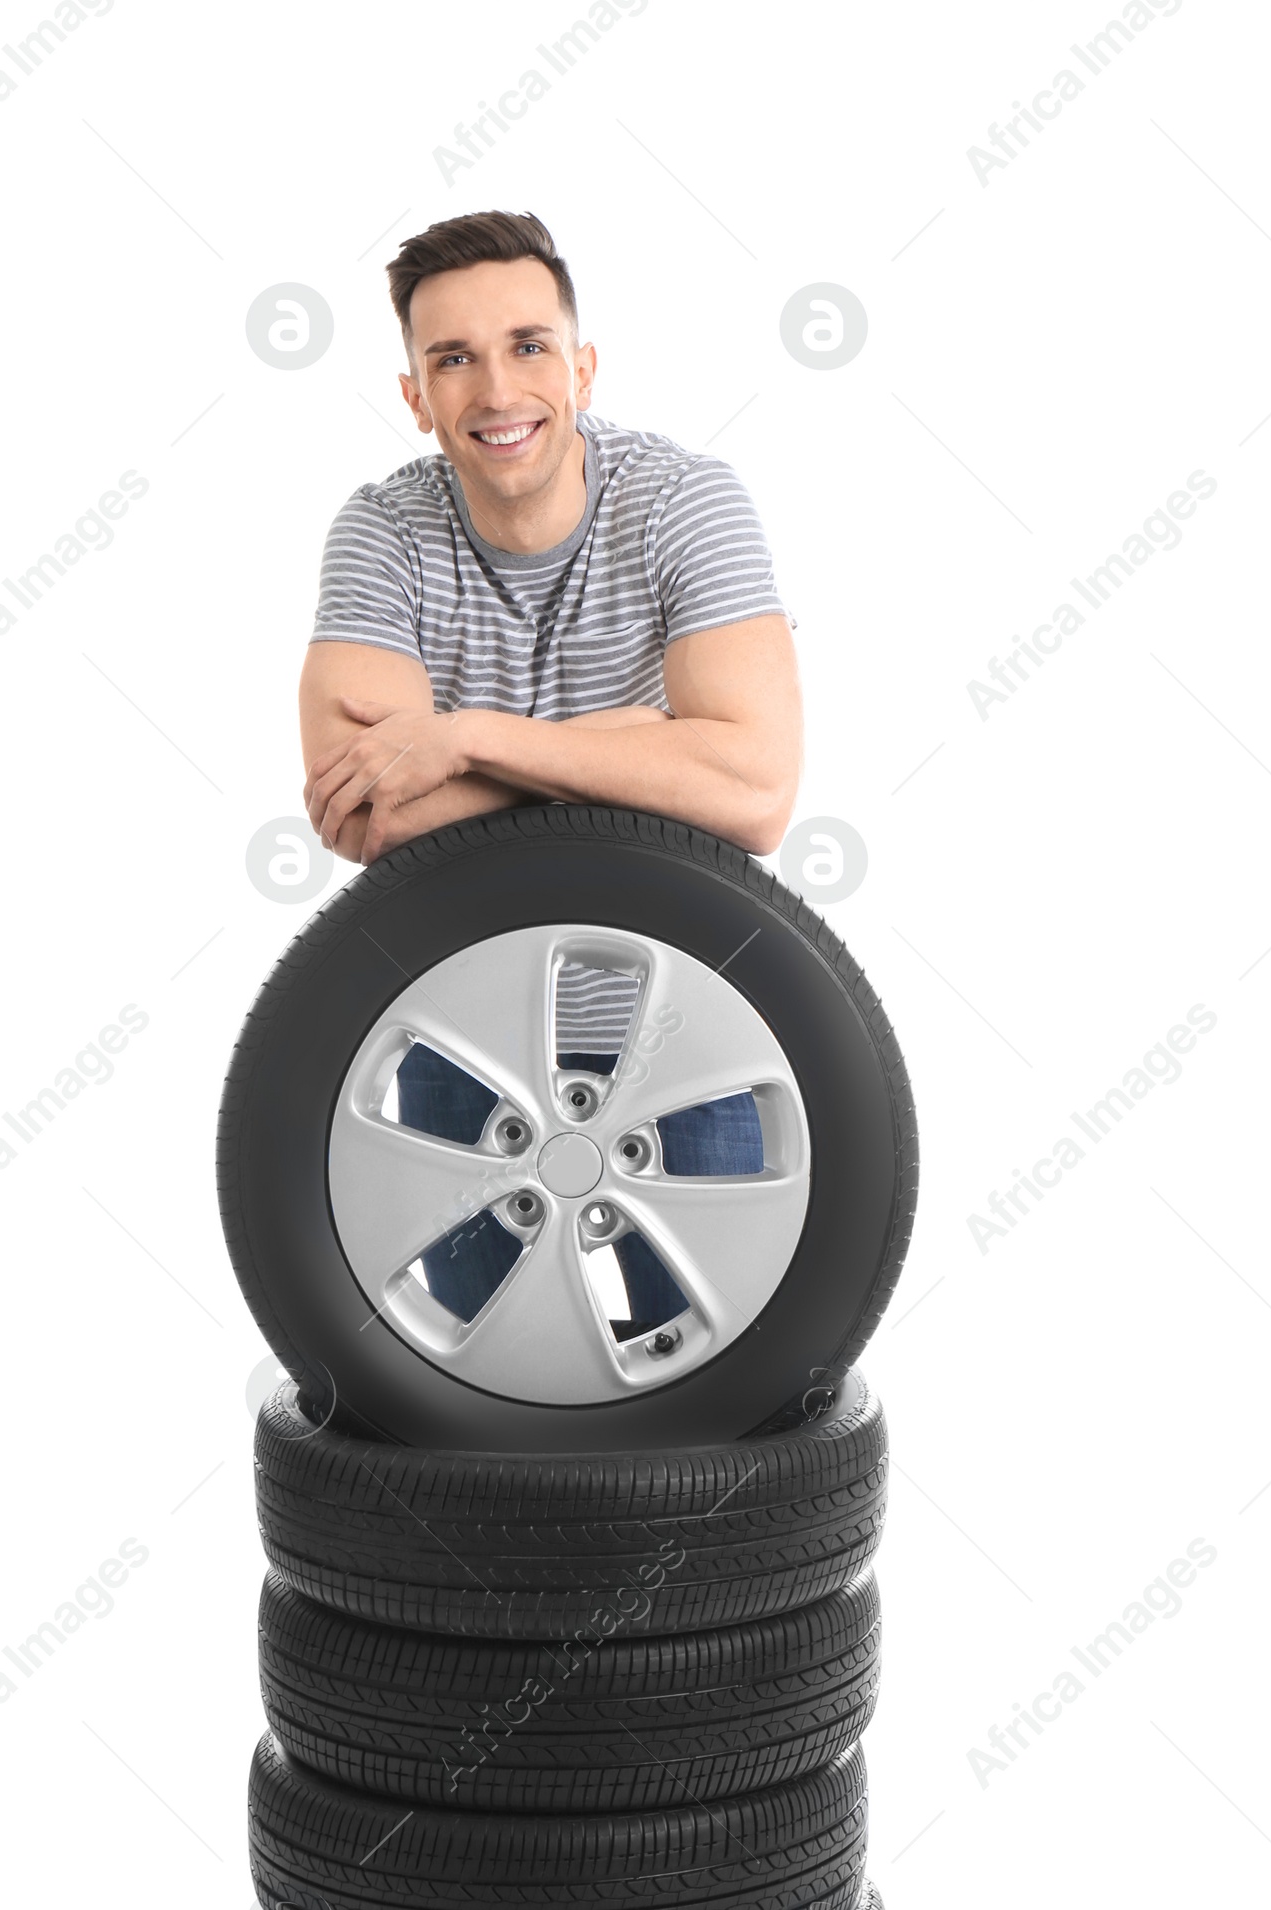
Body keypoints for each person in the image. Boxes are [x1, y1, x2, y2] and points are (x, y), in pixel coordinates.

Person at [300, 210, 803, 1332]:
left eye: (527, 346)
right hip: (464, 1022)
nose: (495, 391)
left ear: (580, 366)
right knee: (486, 1377)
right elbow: (369, 814)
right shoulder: (381, 534)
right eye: (452, 360)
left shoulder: (685, 503)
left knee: (713, 1366)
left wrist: (470, 739)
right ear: (413, 396)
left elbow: (754, 794)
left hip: (684, 1016)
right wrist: (642, 740)